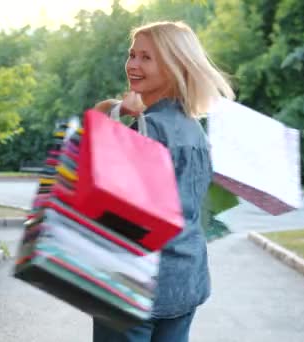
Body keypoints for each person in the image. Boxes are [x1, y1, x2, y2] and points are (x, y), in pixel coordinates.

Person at [92, 21, 235, 342]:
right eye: (132, 55)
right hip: (184, 278)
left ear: (173, 67)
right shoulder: (194, 129)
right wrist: (120, 109)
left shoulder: (150, 131)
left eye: (146, 57)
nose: (133, 65)